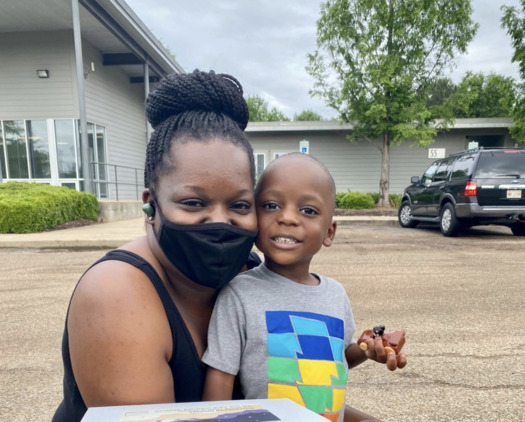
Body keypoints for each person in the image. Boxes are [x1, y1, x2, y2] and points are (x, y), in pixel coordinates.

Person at [52, 70, 261, 422]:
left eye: (239, 205)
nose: (220, 222)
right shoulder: (115, 293)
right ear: (150, 204)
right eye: (194, 203)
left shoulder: (253, 276)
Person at [202, 153, 407, 422]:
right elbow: (220, 379)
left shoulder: (335, 294)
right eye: (271, 205)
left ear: (329, 232)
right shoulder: (239, 295)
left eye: (308, 210)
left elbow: (334, 359)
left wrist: (367, 349)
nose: (287, 218)